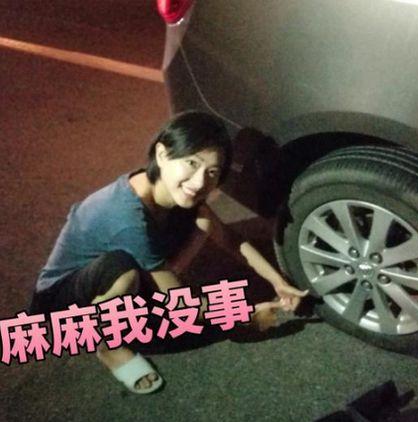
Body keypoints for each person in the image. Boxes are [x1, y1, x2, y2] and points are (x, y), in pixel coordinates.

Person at [29, 111, 308, 394]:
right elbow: (180, 304)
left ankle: (150, 292)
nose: (199, 182)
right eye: (191, 163)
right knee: (122, 269)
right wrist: (244, 314)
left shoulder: (169, 191)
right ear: (162, 154)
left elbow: (231, 240)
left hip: (131, 273)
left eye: (211, 172)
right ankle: (109, 344)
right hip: (61, 300)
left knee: (201, 221)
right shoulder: (127, 216)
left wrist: (278, 281)